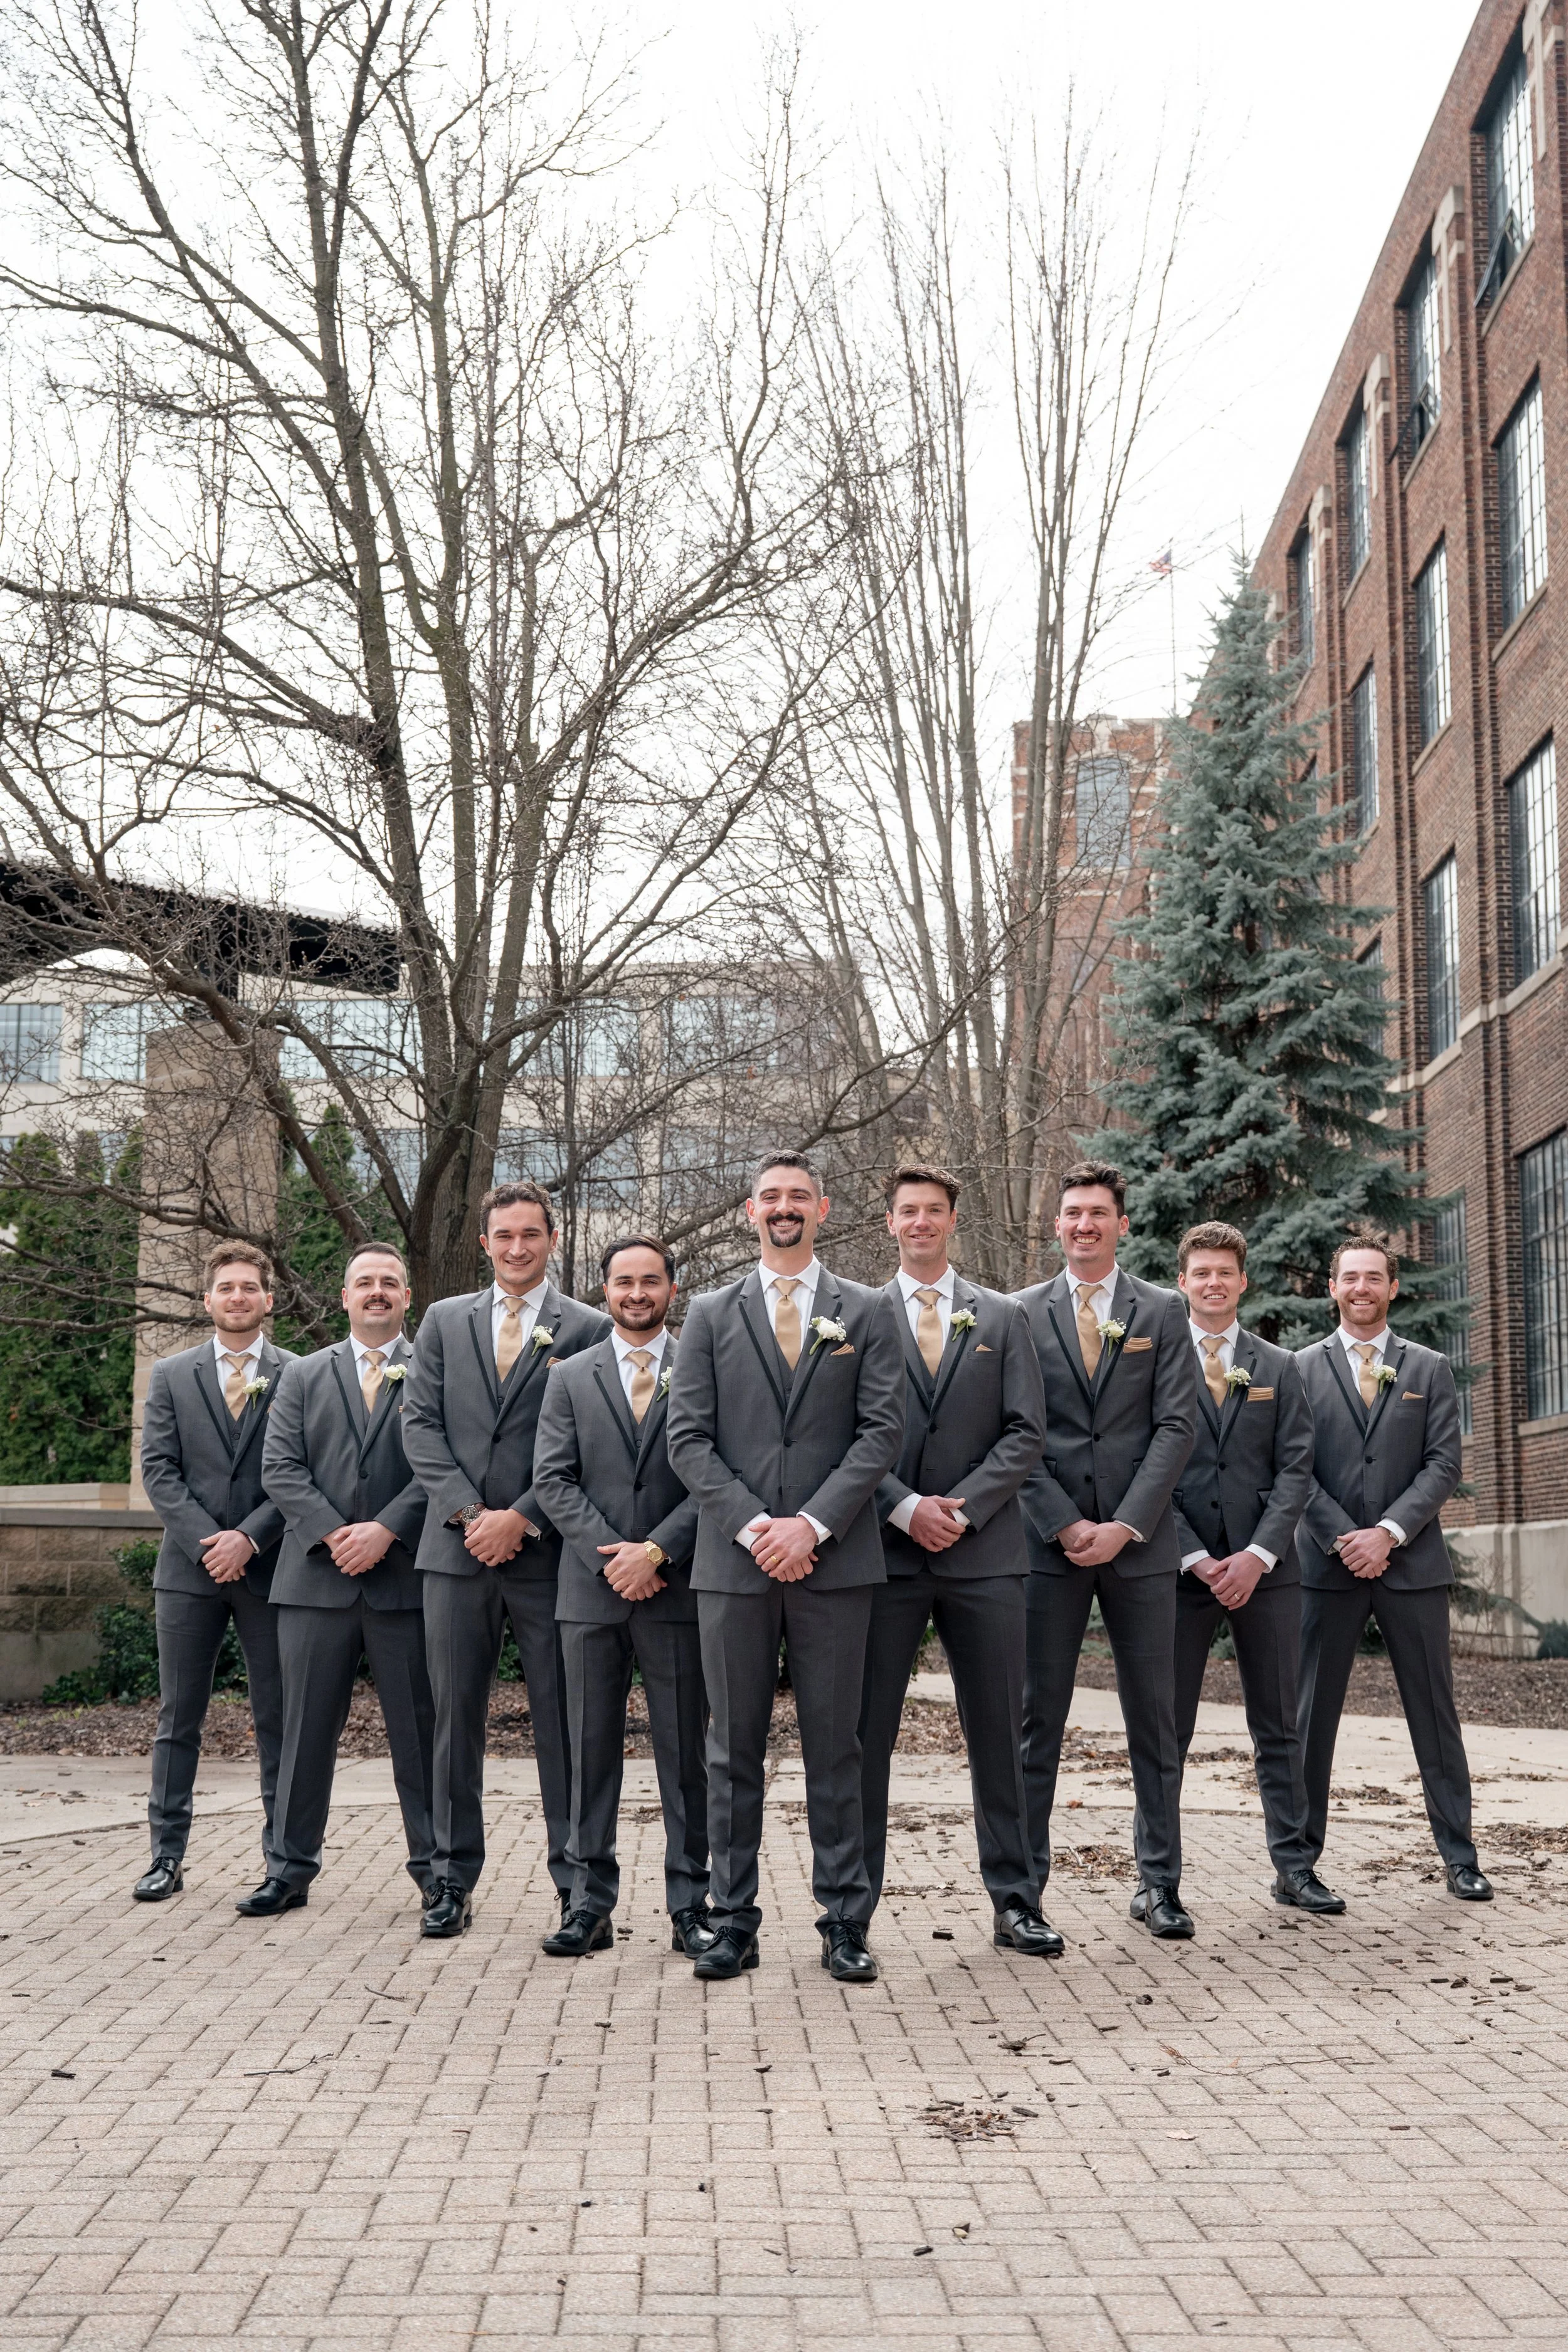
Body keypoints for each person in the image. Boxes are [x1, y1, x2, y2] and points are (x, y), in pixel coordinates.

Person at [666, 1152, 904, 1983]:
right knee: (731, 1748)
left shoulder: (867, 1310)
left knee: (837, 1747)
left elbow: (880, 1432)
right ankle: (732, 1920)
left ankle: (845, 1921)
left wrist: (812, 1525)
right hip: (733, 1567)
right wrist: (753, 1526)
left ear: (822, 1209)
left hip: (835, 1563)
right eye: (770, 1196)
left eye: (798, 1195)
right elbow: (687, 1438)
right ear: (750, 1210)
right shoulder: (708, 1313)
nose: (784, 1207)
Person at [401, 1182, 610, 1940]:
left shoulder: (588, 1327)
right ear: (484, 1243)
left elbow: (590, 1441)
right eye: (505, 1236)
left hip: (547, 1555)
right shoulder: (442, 1321)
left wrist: (521, 1517)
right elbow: (419, 1425)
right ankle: (448, 1880)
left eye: (531, 1234)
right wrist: (470, 1515)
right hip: (455, 1553)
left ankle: (578, 1888)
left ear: (552, 1239)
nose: (517, 1248)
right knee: (452, 1720)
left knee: (566, 1722)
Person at [857, 1165, 1055, 1956]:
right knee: (865, 1736)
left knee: (1000, 1734)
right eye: (907, 1211)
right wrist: (904, 1506)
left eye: (933, 1210)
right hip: (883, 1556)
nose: (920, 1222)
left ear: (952, 1220)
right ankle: (852, 1913)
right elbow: (842, 1433)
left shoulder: (1002, 1316)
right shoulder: (856, 1314)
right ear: (889, 1222)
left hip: (986, 1556)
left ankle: (1017, 1902)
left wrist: (962, 1508)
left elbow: (1025, 1430)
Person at [1016, 1161, 1198, 1940]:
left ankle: (1159, 1885)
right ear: (1056, 1225)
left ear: (1122, 1224)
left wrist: (1125, 1524)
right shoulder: (1019, 1313)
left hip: (1141, 1547)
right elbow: (1013, 1430)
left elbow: (1177, 1426)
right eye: (1073, 1213)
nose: (1084, 1224)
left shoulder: (1162, 1310)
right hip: (1044, 1548)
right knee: (1035, 1723)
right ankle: (1022, 1893)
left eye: (1098, 1213)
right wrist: (1063, 1522)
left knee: (1155, 1721)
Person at [532, 1234, 712, 1959]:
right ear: (603, 1290)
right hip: (591, 1589)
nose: (636, 1293)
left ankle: (691, 1906)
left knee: (686, 1757)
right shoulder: (569, 1376)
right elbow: (552, 1479)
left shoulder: (703, 1369)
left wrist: (657, 1550)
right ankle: (587, 1905)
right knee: (587, 1752)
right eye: (623, 1282)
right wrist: (612, 1556)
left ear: (672, 1288)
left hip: (678, 1589)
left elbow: (717, 1475)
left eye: (650, 1281)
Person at [1295, 1232, 1490, 1900]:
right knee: (1310, 1718)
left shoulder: (1428, 1368)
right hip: (1325, 1570)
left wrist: (1387, 1534)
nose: (1362, 1288)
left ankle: (1460, 1857)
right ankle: (1297, 1864)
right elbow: (1293, 1467)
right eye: (1350, 1277)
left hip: (1412, 1567)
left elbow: (1444, 1464)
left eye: (1374, 1277)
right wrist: (1345, 1539)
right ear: (1332, 1288)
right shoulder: (1299, 1369)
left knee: (1435, 1714)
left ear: (1392, 1288)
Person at [1154, 1221, 1332, 1915]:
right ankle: (1158, 1883)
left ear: (1242, 1282)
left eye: (1224, 1272)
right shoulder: (1154, 1360)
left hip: (1267, 1572)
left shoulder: (1278, 1366)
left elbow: (1296, 1468)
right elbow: (1145, 1467)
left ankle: (1295, 1868)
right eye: (1201, 1272)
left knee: (1280, 1725)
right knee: (1165, 1730)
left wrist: (1258, 1555)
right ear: (1182, 1281)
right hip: (1179, 1572)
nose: (1213, 1283)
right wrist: (1196, 1556)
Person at [257, 1242, 434, 1916]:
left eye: (390, 1281)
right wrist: (335, 1534)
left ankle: (438, 1876)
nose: (377, 1291)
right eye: (365, 1282)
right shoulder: (303, 1375)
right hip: (314, 1582)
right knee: (301, 1735)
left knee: (420, 1738)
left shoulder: (434, 1371)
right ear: (345, 1297)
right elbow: (280, 1468)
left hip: (405, 1582)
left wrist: (385, 1529)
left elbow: (443, 1465)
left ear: (407, 1297)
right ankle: (288, 1869)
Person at [135, 1242, 295, 1907]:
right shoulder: (172, 1375)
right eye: (226, 1288)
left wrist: (249, 1539)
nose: (237, 1297)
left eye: (249, 1287)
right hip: (189, 1571)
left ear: (268, 1299)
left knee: (278, 1718)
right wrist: (211, 1544)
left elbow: (302, 1472)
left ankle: (283, 1864)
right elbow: (158, 1469)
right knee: (179, 1717)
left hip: (271, 1571)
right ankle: (165, 1857)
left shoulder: (299, 1374)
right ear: (208, 1300)